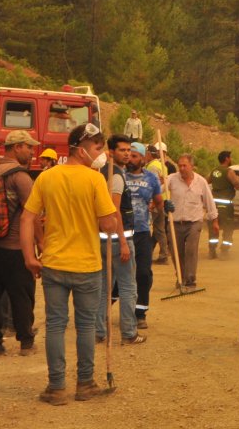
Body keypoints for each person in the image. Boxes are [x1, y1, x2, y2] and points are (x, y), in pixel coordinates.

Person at [20, 123, 121, 405]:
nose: (100, 154)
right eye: (97, 148)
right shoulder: (95, 180)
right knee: (86, 325)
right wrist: (108, 213)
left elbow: (27, 218)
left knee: (55, 324)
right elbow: (108, 225)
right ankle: (85, 384)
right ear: (81, 149)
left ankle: (56, 388)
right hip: (87, 265)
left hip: (54, 263)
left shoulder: (47, 177)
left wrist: (29, 257)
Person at [0, 129, 40, 359]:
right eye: (29, 147)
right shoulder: (20, 177)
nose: (32, 152)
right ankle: (26, 342)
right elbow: (32, 215)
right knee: (22, 293)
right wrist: (40, 242)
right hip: (15, 245)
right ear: (17, 147)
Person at [96, 135, 143, 344]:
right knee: (128, 287)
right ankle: (129, 332)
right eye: (122, 150)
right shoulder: (115, 175)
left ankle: (98, 331)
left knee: (103, 288)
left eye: (128, 150)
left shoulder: (102, 172)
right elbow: (114, 210)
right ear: (112, 152)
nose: (126, 154)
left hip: (103, 239)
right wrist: (123, 242)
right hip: (117, 240)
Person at [123, 142, 164, 328]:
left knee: (144, 273)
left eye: (134, 156)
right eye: (128, 155)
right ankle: (105, 310)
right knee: (118, 275)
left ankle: (140, 313)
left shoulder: (151, 178)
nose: (130, 159)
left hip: (142, 232)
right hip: (122, 232)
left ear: (142, 158)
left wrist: (159, 208)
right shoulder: (119, 175)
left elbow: (158, 201)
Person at [166, 154, 219, 290]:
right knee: (176, 252)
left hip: (194, 222)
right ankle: (180, 277)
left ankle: (190, 280)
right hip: (175, 222)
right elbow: (158, 190)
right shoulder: (171, 179)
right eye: (180, 165)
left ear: (192, 166)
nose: (182, 168)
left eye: (185, 165)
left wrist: (214, 220)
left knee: (190, 250)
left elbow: (209, 201)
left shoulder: (201, 182)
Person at [146, 143, 178, 265]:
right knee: (159, 229)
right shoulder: (162, 165)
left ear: (149, 154)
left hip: (156, 201)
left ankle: (162, 254)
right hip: (163, 200)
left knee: (154, 229)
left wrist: (152, 202)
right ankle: (162, 254)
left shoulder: (153, 167)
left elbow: (153, 186)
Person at [208, 151, 239, 259]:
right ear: (226, 159)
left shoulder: (214, 171)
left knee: (213, 228)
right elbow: (237, 185)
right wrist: (237, 179)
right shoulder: (229, 171)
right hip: (226, 206)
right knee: (228, 228)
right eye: (230, 157)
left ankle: (212, 251)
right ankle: (224, 251)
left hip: (214, 205)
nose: (231, 159)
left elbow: (206, 182)